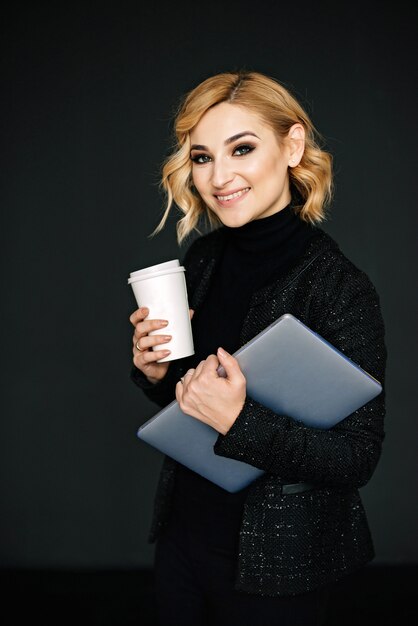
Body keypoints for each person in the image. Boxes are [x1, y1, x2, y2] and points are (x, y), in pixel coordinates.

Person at [128, 70, 387, 626]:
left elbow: (357, 457)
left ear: (292, 146)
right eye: (202, 157)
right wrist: (156, 374)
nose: (220, 176)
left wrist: (240, 420)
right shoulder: (202, 262)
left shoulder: (340, 288)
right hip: (183, 538)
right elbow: (191, 404)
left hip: (278, 561)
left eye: (241, 148)